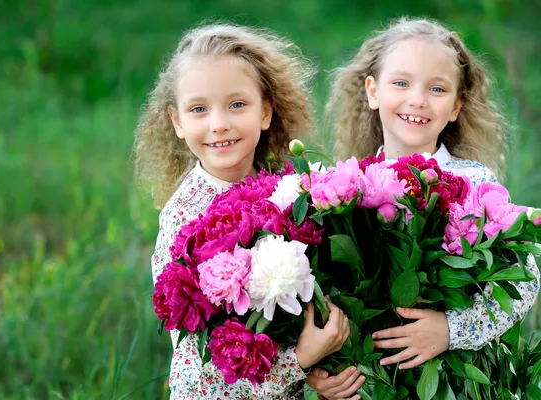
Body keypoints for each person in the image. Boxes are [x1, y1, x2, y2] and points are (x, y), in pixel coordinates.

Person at [136, 23, 363, 399]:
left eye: (237, 104)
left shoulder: (289, 190)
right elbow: (200, 367)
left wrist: (316, 369)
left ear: (265, 112)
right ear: (177, 122)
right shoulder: (184, 220)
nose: (219, 124)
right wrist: (300, 361)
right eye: (198, 109)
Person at [326, 17, 539, 370]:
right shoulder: (347, 186)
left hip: (452, 374)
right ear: (373, 91)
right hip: (370, 376)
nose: (418, 100)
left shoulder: (475, 183)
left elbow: (525, 278)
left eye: (437, 89)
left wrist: (450, 329)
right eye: (401, 83)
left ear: (456, 106)